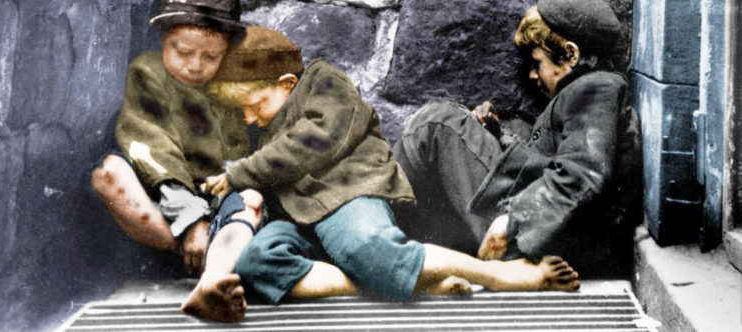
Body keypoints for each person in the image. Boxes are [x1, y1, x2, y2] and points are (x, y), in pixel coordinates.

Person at [201, 27, 580, 306]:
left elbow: (312, 142)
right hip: (306, 219)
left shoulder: (324, 82)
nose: (249, 118)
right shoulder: (264, 126)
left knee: (369, 247)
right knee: (256, 264)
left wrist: (240, 173)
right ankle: (418, 282)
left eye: (255, 105)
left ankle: (500, 274)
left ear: (286, 83)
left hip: (347, 193)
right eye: (242, 111)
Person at [392, 0, 643, 278]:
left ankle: (376, 237)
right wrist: (498, 136)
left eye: (537, 63)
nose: (532, 75)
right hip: (548, 229)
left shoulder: (596, 88)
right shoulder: (585, 91)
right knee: (447, 124)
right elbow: (551, 161)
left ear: (571, 54)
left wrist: (513, 220)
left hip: (546, 237)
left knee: (436, 124)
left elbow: (583, 173)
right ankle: (385, 237)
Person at [90, 0, 294, 322]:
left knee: (250, 203)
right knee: (108, 174)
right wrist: (190, 223)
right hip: (163, 193)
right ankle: (193, 250)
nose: (195, 66)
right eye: (182, 52)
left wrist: (246, 190)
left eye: (210, 57)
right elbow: (152, 146)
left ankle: (213, 281)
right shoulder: (148, 73)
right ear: (164, 39)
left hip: (219, 195)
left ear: (225, 51)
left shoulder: (232, 83)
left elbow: (245, 154)